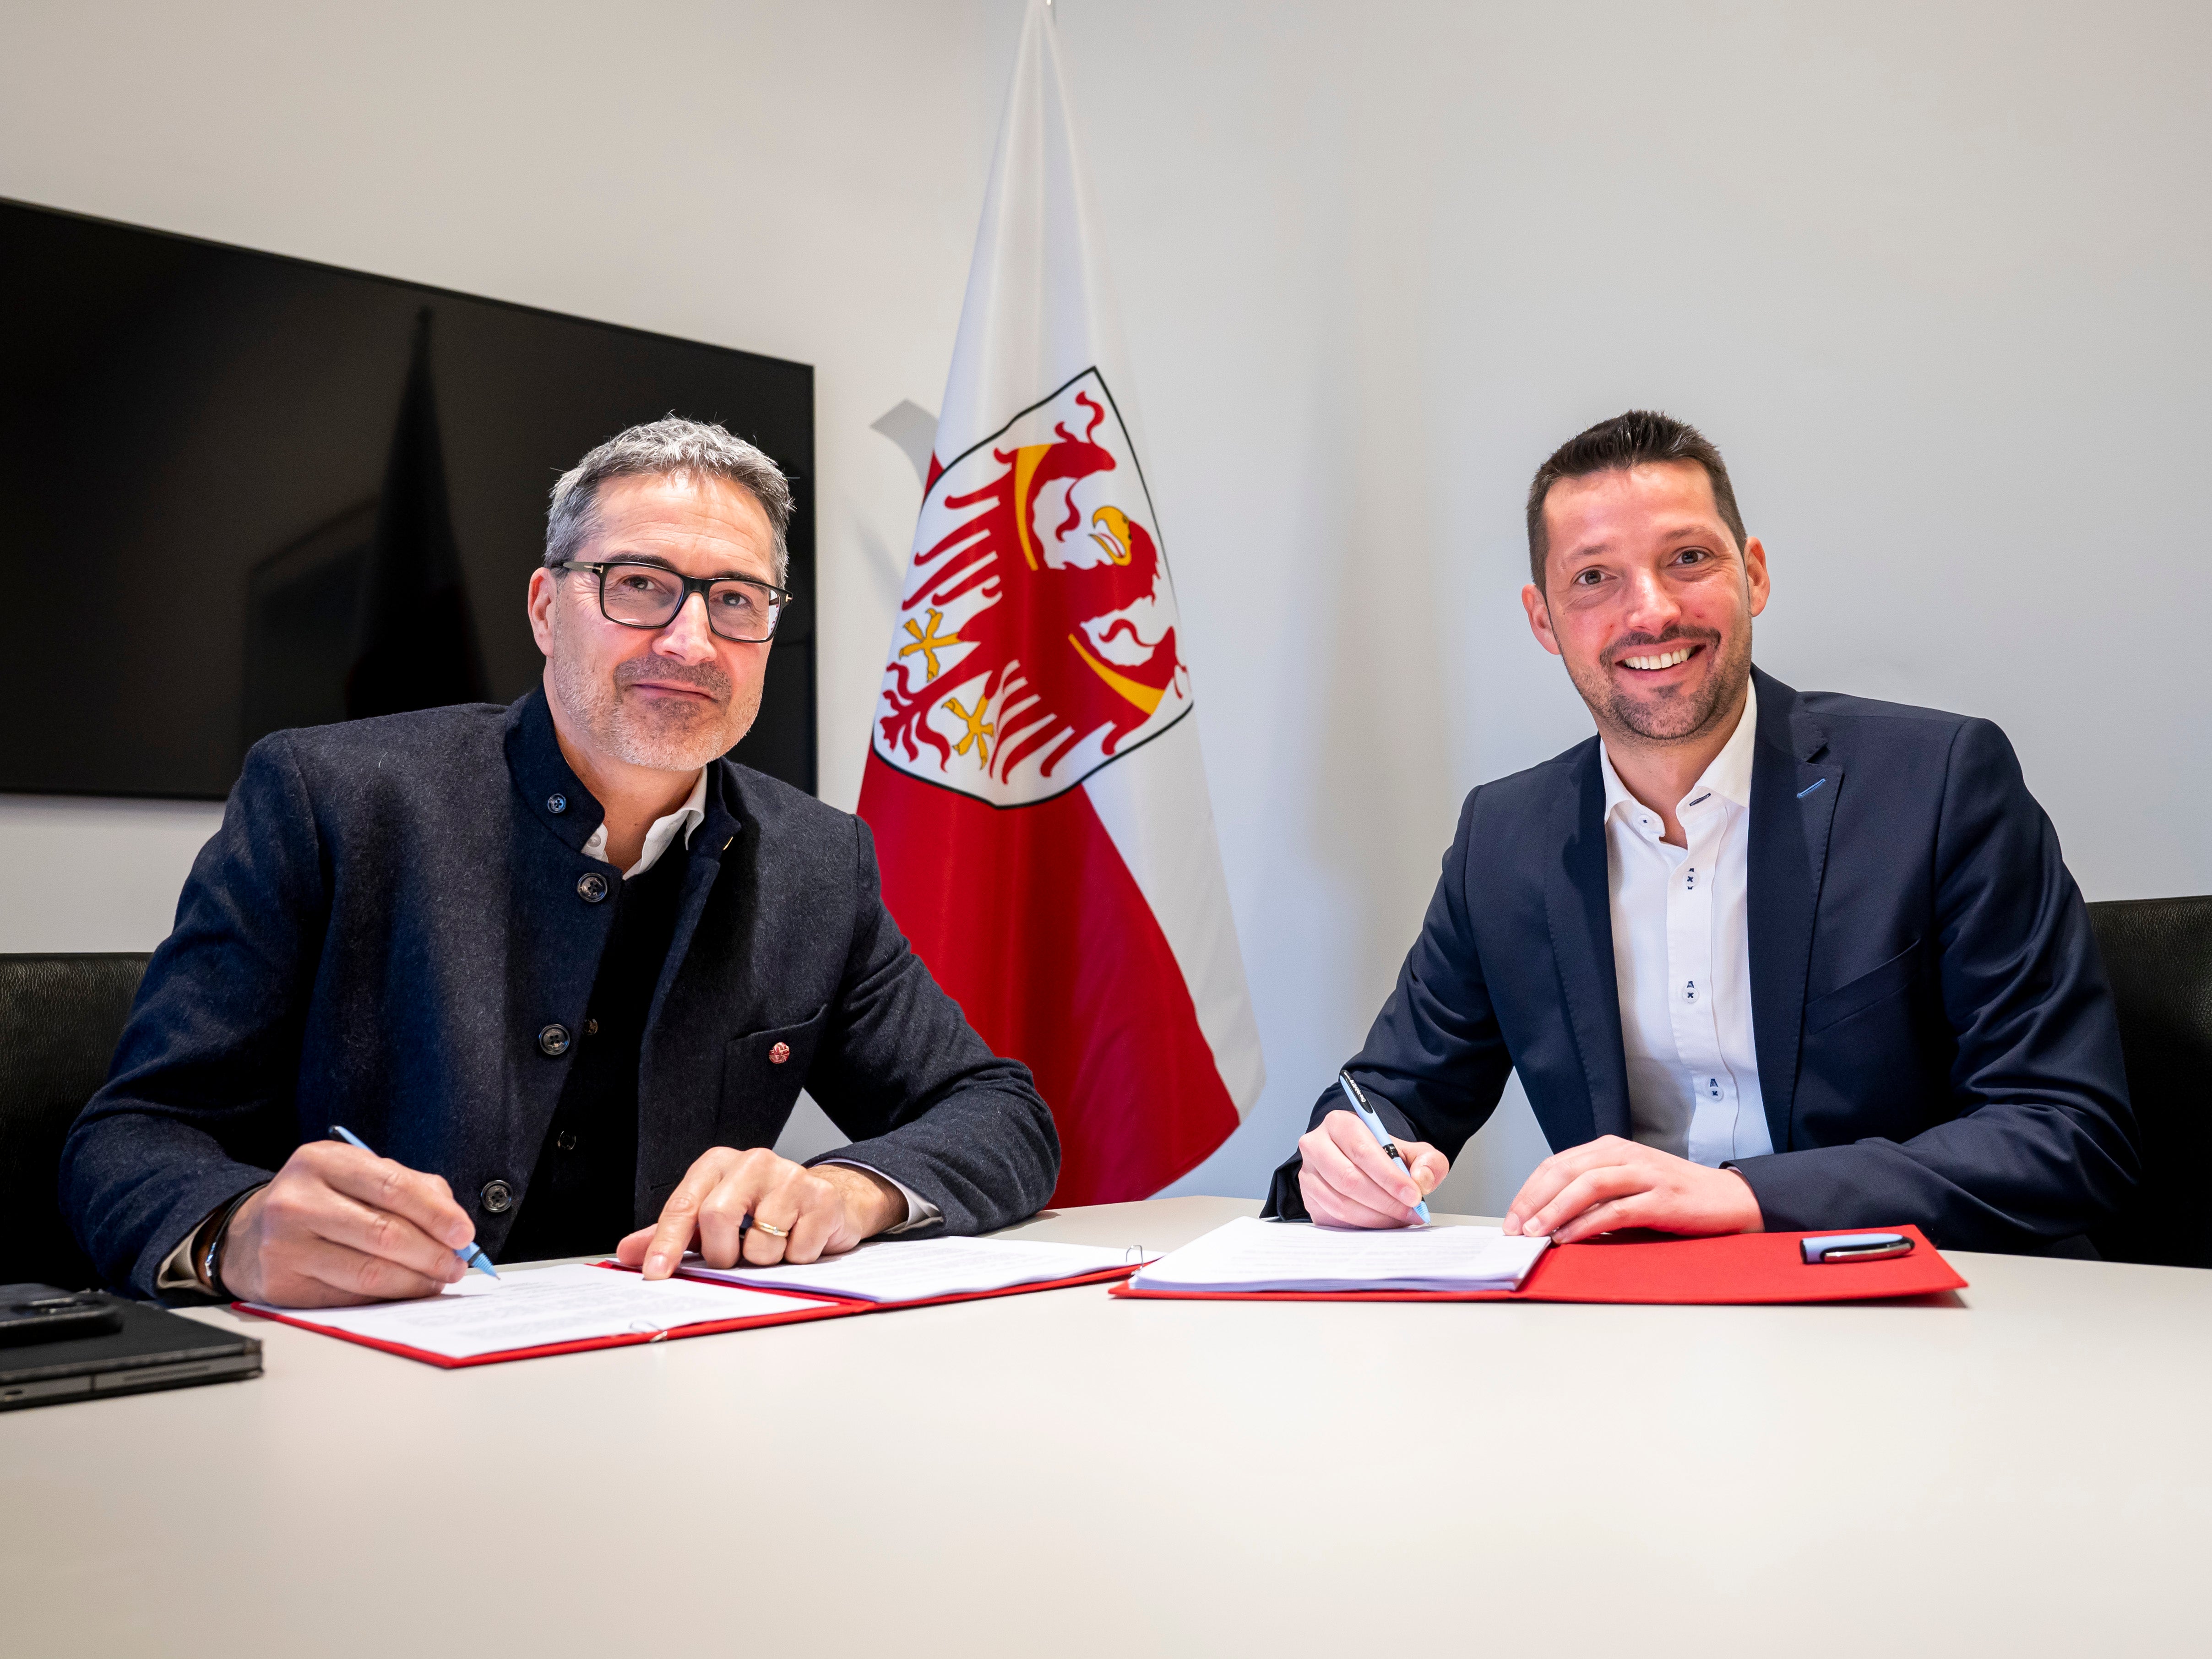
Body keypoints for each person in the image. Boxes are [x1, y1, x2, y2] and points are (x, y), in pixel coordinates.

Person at [64, 418, 1059, 1306]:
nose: (691, 641)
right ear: (545, 608)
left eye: (736, 600)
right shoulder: (331, 799)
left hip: (667, 1376)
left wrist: (847, 1190)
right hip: (359, 1386)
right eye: (640, 586)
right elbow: (132, 1135)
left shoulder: (817, 860)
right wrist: (232, 1234)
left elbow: (999, 1114)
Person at [1270, 410, 2136, 1253]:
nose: (1650, 612)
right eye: (1594, 578)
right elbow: (1391, 1097)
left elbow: (2064, 1133)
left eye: (1687, 559)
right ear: (1544, 621)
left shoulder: (1939, 784)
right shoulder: (1505, 840)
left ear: (1752, 575)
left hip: (1921, 1306)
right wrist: (1349, 1159)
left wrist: (1747, 1196)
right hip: (1635, 1318)